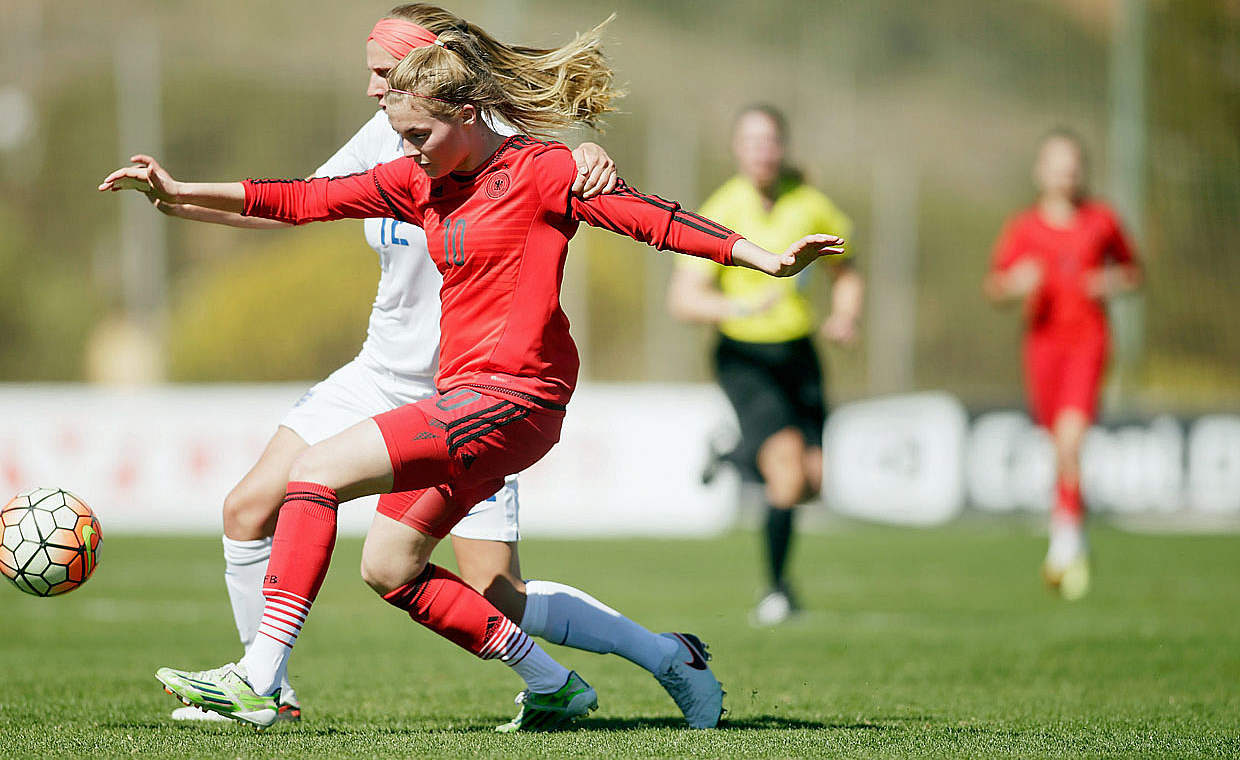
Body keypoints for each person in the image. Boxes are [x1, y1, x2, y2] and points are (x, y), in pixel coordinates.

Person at [101, 24, 843, 732]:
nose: (410, 152)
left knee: (315, 473)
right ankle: (660, 658)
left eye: (419, 135)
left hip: (518, 396)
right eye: (402, 138)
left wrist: (764, 257)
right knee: (390, 567)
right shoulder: (417, 179)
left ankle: (260, 677)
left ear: (465, 111)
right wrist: (181, 190)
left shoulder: (543, 170)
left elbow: (653, 219)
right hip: (461, 402)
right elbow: (301, 199)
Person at [667, 104, 862, 626]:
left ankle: (732, 456)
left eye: (770, 140)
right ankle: (776, 590)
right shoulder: (721, 208)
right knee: (787, 473)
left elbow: (847, 268)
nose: (762, 150)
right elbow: (683, 300)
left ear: (783, 147)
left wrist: (845, 314)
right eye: (751, 140)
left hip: (799, 353)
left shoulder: (810, 204)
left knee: (811, 481)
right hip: (745, 356)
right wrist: (738, 307)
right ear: (736, 148)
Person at [984, 128, 1141, 601]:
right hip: (1042, 346)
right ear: (1040, 171)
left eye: (1073, 165)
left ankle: (1063, 546)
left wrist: (1109, 282)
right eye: (1056, 164)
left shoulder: (1102, 220)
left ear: (1082, 171)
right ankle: (1075, 532)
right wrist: (1017, 284)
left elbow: (1133, 272)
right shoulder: (1023, 227)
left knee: (1071, 440)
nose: (1065, 173)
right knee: (1058, 447)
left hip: (1088, 343)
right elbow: (995, 287)